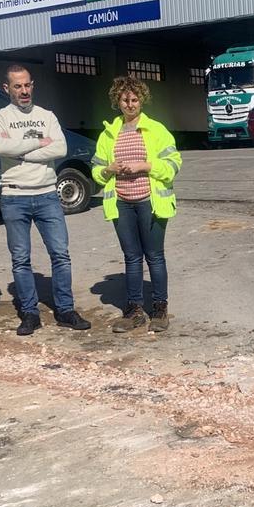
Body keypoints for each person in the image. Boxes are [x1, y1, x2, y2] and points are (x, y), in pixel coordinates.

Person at [0, 65, 92, 336]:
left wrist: (21, 152)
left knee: (61, 255)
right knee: (21, 259)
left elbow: (60, 148)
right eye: (17, 86)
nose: (24, 91)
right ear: (7, 88)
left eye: (27, 85)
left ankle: (65, 310)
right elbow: (0, 148)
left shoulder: (47, 115)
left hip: (47, 194)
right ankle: (30, 314)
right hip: (14, 196)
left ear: (32, 85)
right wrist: (39, 143)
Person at [91, 76, 182, 333]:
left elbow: (174, 164)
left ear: (141, 100)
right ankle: (134, 312)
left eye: (134, 99)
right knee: (131, 257)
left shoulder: (157, 130)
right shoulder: (109, 134)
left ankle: (160, 309)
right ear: (117, 101)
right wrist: (108, 169)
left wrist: (146, 166)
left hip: (149, 203)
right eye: (124, 99)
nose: (130, 104)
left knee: (154, 256)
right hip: (121, 203)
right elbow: (96, 171)